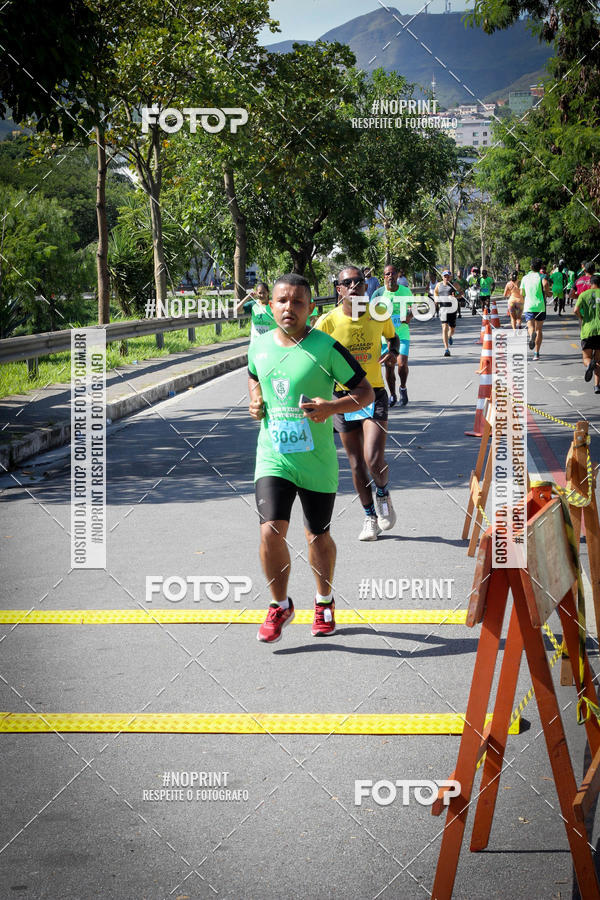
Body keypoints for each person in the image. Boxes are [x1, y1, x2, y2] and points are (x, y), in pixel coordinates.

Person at [248, 273, 374, 643]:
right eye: (282, 301)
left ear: (311, 308)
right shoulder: (258, 346)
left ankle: (324, 600)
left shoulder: (326, 348)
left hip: (316, 461)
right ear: (271, 306)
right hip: (273, 457)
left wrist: (333, 406)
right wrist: (255, 400)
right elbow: (254, 375)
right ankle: (279, 605)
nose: (289, 308)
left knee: (317, 536)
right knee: (270, 531)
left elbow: (365, 392)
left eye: (298, 302)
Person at [315, 265, 399, 541]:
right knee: (355, 464)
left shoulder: (378, 314)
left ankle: (383, 495)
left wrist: (393, 352)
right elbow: (309, 351)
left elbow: (393, 337)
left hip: (373, 392)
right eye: (347, 282)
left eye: (358, 281)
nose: (353, 286)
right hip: (342, 397)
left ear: (366, 287)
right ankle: (369, 518)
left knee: (373, 458)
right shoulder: (328, 321)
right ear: (339, 289)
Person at [371, 264, 414, 407]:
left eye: (393, 273)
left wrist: (409, 316)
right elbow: (371, 314)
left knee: (401, 364)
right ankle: (393, 395)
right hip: (385, 338)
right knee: (389, 366)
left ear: (397, 275)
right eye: (387, 274)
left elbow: (412, 308)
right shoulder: (378, 294)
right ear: (384, 277)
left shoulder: (406, 291)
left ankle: (403, 388)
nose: (390, 276)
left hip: (401, 333)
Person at [574, 273, 600, 394]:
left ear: (591, 283)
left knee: (587, 357)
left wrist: (582, 318)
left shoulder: (584, 295)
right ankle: (597, 386)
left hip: (587, 330)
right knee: (599, 359)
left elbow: (576, 310)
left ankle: (589, 364)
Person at [522, 258, 550, 360]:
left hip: (529, 306)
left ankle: (531, 336)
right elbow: (546, 284)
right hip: (540, 306)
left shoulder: (525, 278)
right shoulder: (542, 276)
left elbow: (522, 293)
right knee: (539, 329)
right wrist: (547, 292)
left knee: (531, 327)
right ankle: (536, 354)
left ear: (531, 267)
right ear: (540, 267)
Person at [434, 270, 460, 357]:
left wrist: (455, 296)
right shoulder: (439, 285)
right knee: (444, 327)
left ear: (451, 277)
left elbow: (461, 293)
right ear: (442, 277)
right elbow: (435, 292)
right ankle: (446, 349)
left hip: (452, 309)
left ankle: (449, 336)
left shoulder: (454, 285)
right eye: (445, 276)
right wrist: (436, 299)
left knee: (452, 329)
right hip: (443, 309)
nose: (446, 278)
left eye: (448, 276)